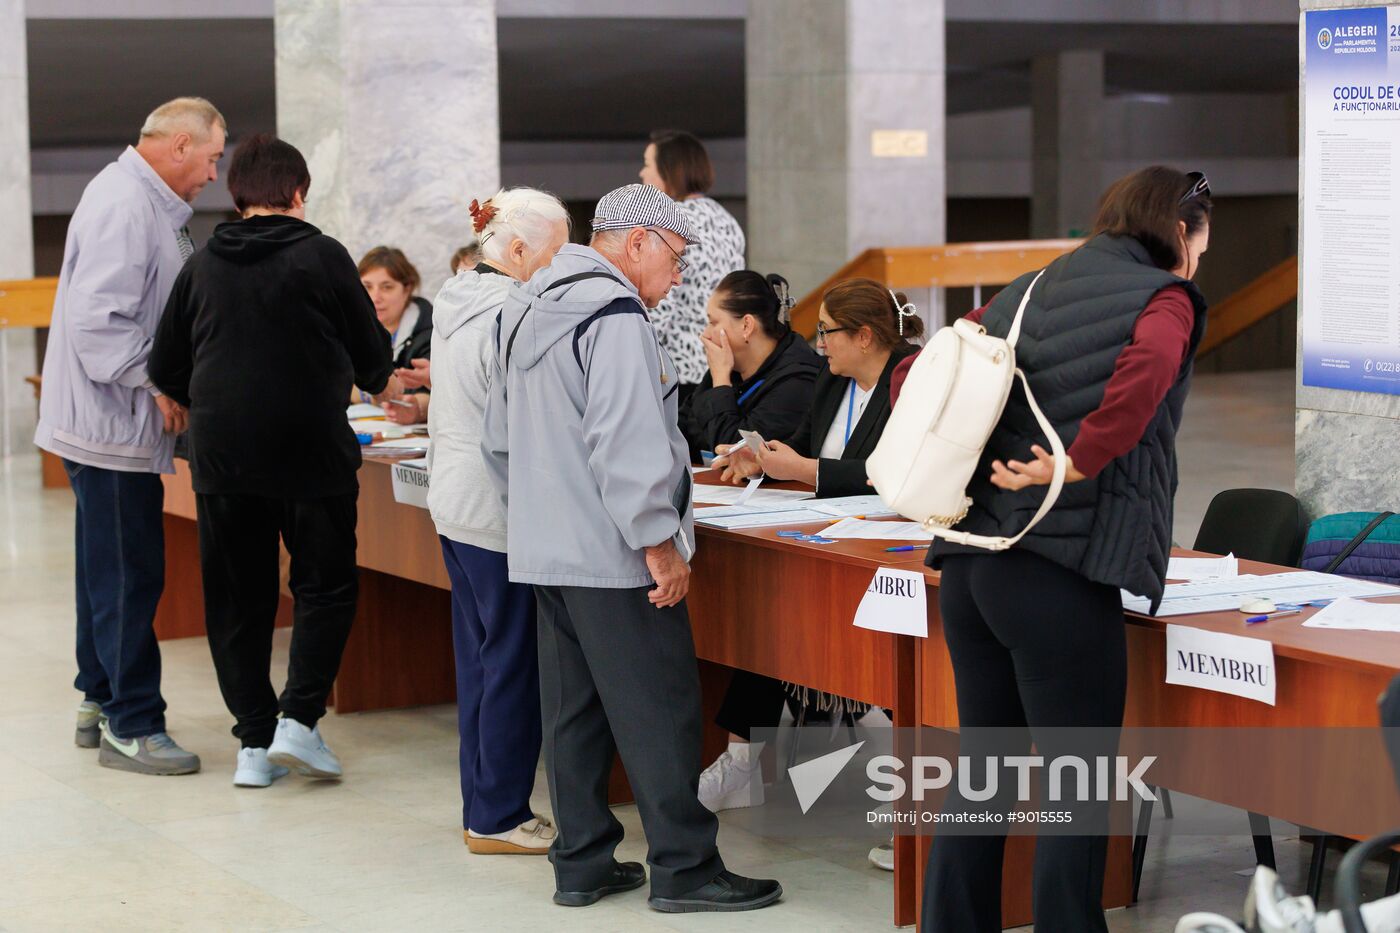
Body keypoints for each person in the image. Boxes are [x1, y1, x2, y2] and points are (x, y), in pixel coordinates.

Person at [908, 166, 1211, 932]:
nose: (1204, 255)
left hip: (970, 562)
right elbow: (1149, 368)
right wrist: (1077, 458)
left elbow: (942, 355)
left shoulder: (1034, 283)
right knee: (1076, 790)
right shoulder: (1164, 298)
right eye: (1204, 238)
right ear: (1181, 231)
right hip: (1054, 573)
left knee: (985, 774)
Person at [481, 183, 782, 913]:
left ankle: (581, 861)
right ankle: (685, 867)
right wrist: (658, 541)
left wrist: (538, 516)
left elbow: (496, 439)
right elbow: (624, 438)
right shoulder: (612, 313)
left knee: (573, 712)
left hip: (545, 547)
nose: (677, 279)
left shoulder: (524, 304)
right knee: (660, 707)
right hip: (614, 552)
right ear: (639, 241)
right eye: (676, 260)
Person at [149, 133, 398, 788]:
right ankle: (299, 719)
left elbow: (165, 366)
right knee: (325, 584)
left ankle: (254, 744)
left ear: (236, 196)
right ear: (298, 193)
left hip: (223, 456)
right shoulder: (322, 256)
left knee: (238, 597)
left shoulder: (201, 264)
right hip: (310, 451)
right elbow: (374, 361)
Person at [35, 96, 226, 776]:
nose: (212, 174)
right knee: (129, 573)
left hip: (105, 422)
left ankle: (97, 696)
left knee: (104, 570)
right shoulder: (123, 204)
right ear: (178, 145)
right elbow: (99, 325)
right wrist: (158, 383)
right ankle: (133, 721)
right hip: (111, 422)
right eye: (210, 158)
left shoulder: (138, 199)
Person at [700, 280, 924, 814]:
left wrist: (804, 470)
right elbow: (801, 442)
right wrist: (761, 457)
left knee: (876, 651)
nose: (818, 344)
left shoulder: (912, 380)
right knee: (769, 615)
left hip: (894, 545)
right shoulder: (831, 379)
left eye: (827, 333)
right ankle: (742, 761)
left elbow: (892, 474)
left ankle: (912, 783)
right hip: (822, 535)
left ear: (866, 337)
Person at [426, 189, 570, 853]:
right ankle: (500, 814)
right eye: (553, 252)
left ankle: (480, 803)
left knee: (480, 659)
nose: (560, 266)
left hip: (456, 504)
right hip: (498, 510)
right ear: (516, 251)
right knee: (512, 661)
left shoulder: (458, 297)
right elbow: (524, 424)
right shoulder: (510, 312)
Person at [639, 130, 745, 405]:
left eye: (648, 164)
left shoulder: (672, 221)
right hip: (719, 364)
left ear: (669, 170)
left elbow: (661, 301)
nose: (642, 174)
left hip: (677, 370)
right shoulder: (727, 219)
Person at [677, 270, 821, 464]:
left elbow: (736, 454)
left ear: (746, 325)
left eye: (713, 322)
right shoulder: (730, 368)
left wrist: (721, 383)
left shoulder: (798, 381)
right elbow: (681, 431)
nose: (706, 334)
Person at [359, 246, 432, 424]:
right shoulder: (351, 327)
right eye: (367, 287)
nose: (375, 297)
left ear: (407, 289)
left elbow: (430, 393)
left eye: (387, 287)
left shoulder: (432, 332)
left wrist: (417, 408)